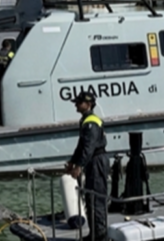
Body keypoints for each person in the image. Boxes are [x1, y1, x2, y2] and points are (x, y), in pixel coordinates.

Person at [65, 92, 109, 241]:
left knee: (97, 199)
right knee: (89, 198)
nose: (76, 105)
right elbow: (81, 146)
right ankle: (94, 233)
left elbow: (88, 148)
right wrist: (73, 161)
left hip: (97, 161)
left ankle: (101, 235)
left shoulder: (91, 122)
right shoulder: (85, 120)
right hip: (92, 161)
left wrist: (79, 166)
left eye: (79, 102)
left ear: (88, 104)